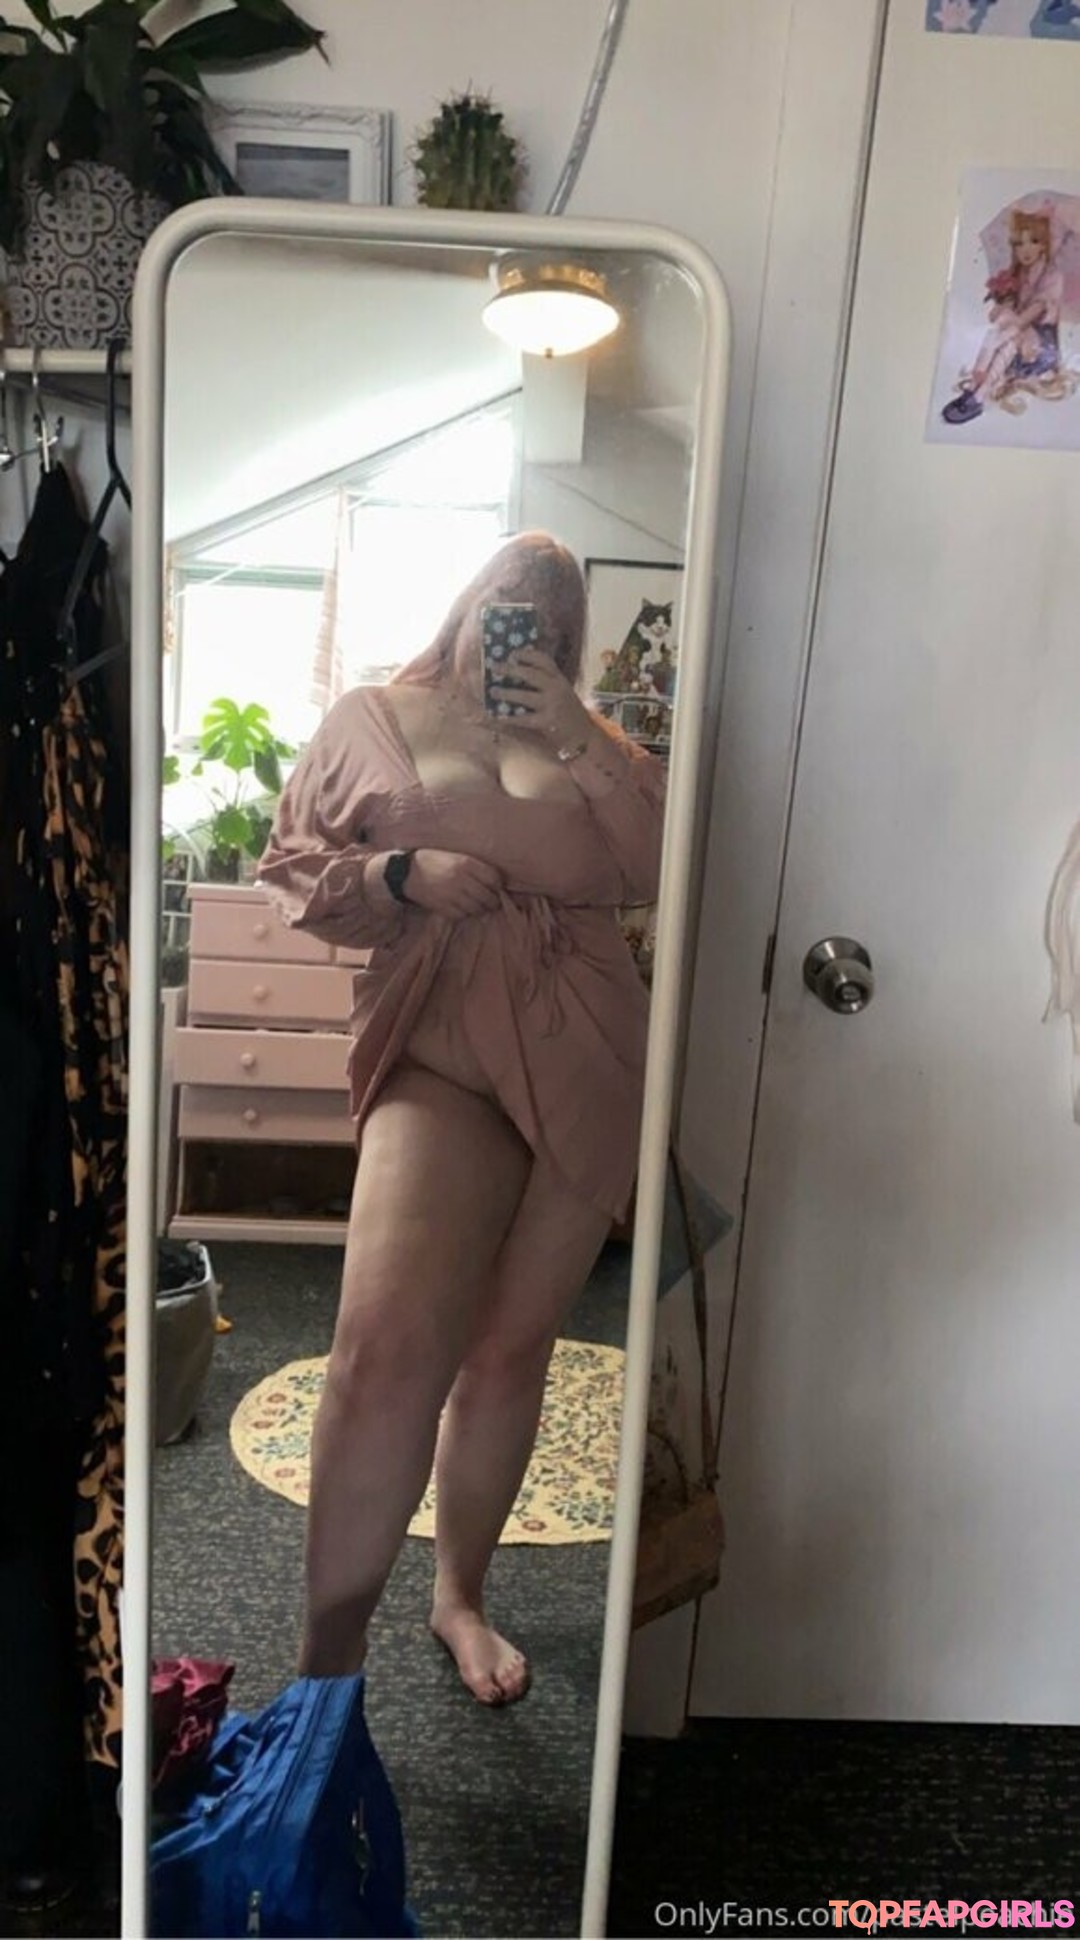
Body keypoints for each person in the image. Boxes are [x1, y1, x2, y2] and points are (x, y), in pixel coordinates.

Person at [257, 531, 666, 1705]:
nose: (528, 623)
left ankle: (459, 1595)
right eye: (510, 603)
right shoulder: (375, 715)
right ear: (468, 603)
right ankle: (327, 1661)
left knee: (510, 1350)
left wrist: (575, 728)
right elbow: (291, 866)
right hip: (439, 1047)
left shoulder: (599, 747)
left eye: (554, 617)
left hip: (591, 1056)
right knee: (384, 1350)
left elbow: (657, 868)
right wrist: (400, 876)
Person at [942, 208, 1065, 425]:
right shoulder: (1019, 273)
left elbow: (1028, 316)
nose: (1025, 249)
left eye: (1034, 241)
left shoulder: (1053, 276)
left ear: (1044, 245)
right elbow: (1009, 314)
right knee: (1004, 334)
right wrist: (1003, 305)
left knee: (1009, 337)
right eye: (1019, 243)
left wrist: (1004, 320)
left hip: (1040, 347)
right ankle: (976, 388)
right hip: (1016, 334)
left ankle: (979, 394)